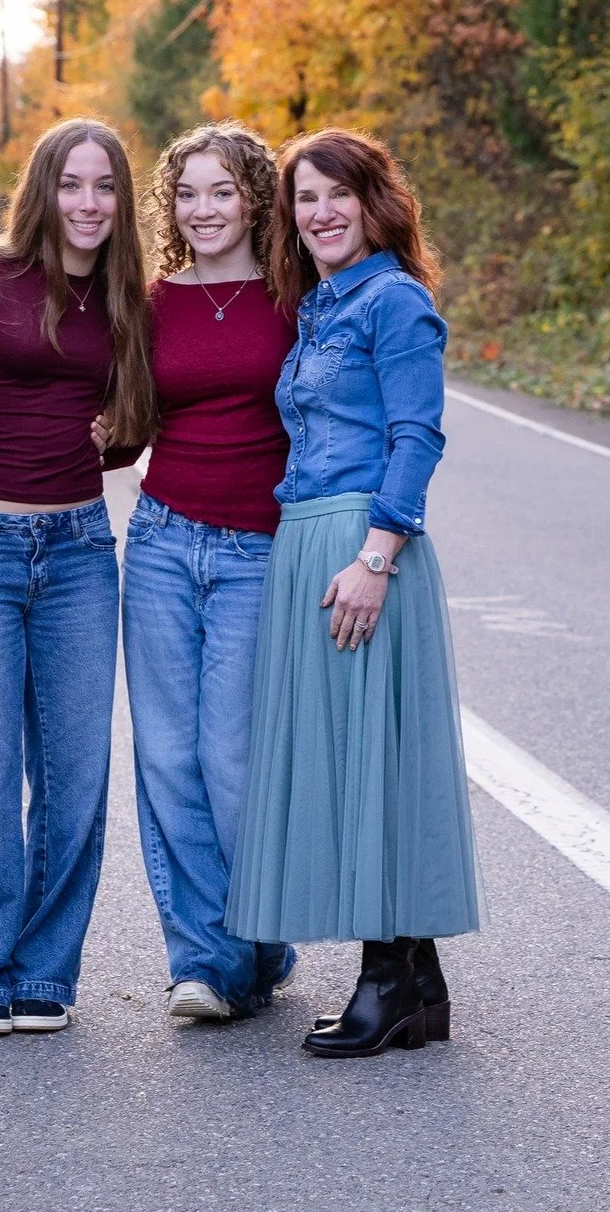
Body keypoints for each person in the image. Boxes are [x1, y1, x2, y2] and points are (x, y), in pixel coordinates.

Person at [224, 127, 482, 1059]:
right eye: (306, 197)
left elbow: (418, 436)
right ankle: (419, 987)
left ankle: (384, 980)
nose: (322, 212)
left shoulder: (394, 301)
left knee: (372, 757)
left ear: (376, 205)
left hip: (361, 547)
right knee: (358, 752)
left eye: (339, 194)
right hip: (310, 538)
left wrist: (376, 558)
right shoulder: (319, 304)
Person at [0, 118, 155, 1036]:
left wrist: (117, 437)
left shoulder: (129, 298)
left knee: (75, 776)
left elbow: (133, 424)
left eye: (106, 186)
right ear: (43, 190)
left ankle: (46, 973)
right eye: (71, 183)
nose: (88, 203)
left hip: (81, 552)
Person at [119, 122, 297, 1022]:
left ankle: (258, 936)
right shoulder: (151, 302)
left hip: (257, 549)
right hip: (160, 542)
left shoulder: (296, 297)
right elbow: (121, 420)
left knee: (231, 758)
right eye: (186, 193)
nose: (203, 209)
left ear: (255, 200)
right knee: (166, 757)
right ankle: (205, 959)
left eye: (221, 191)